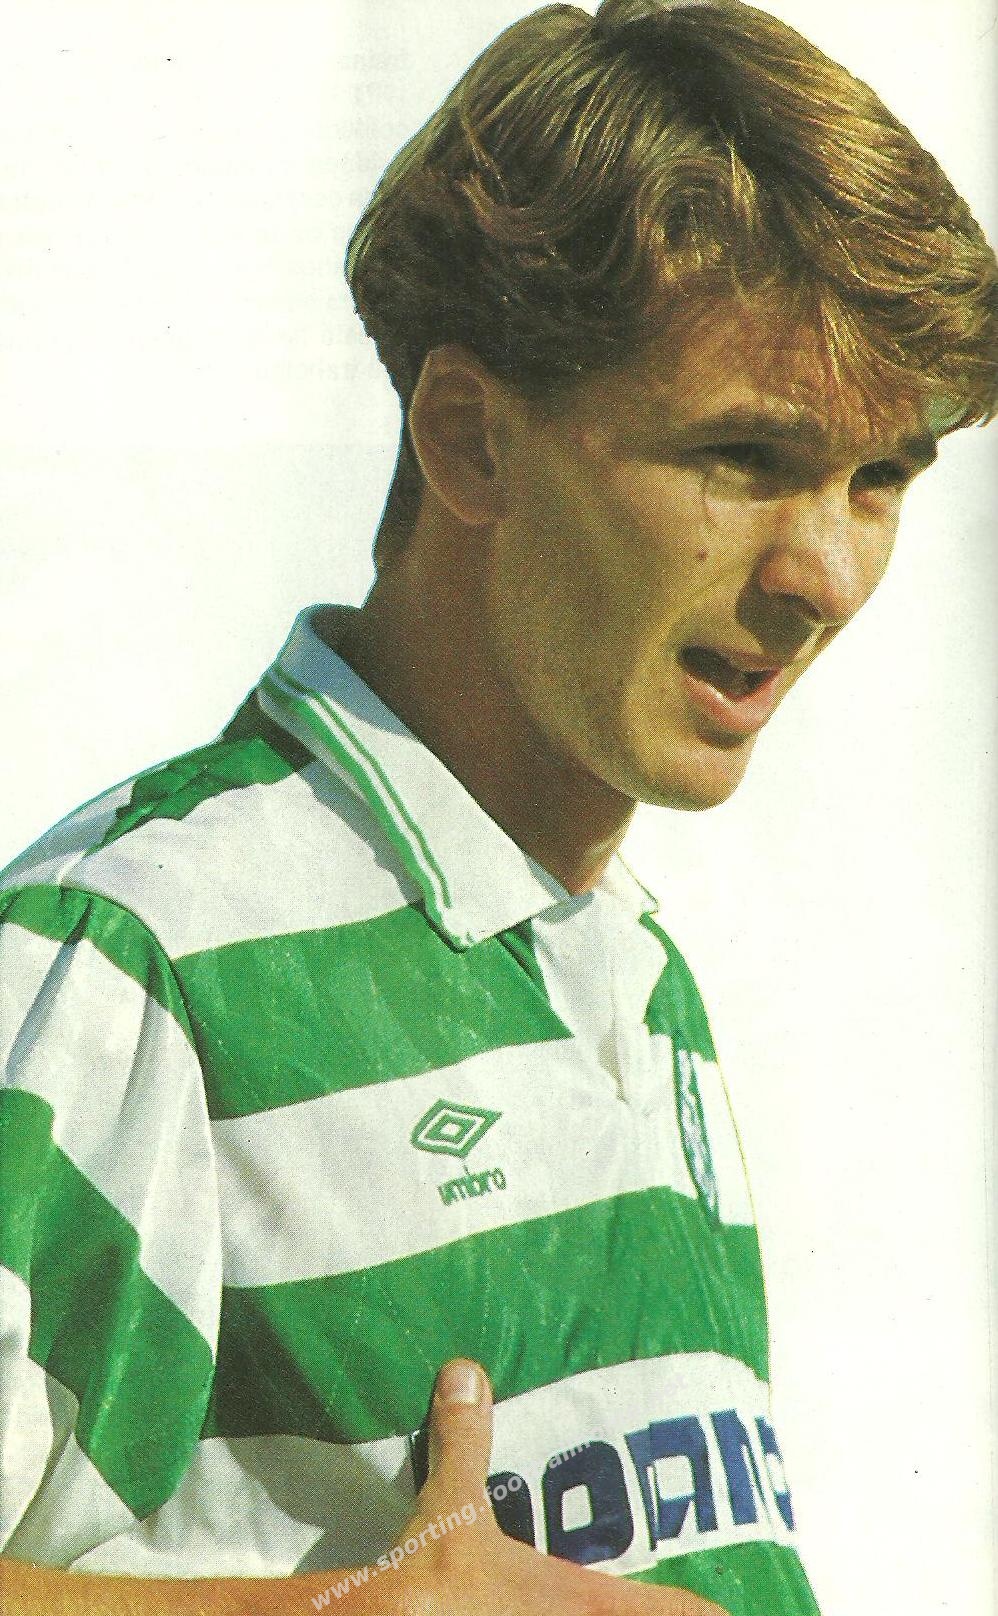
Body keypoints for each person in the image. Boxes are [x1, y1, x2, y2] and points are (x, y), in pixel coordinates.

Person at [1, 1, 994, 1612]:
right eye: (745, 456)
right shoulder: (137, 956)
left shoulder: (631, 967)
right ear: (470, 439)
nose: (825, 573)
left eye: (879, 478)